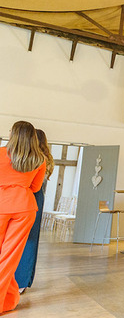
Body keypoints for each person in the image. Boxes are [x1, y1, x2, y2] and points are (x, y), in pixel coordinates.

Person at [0, 121, 46, 314]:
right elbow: (35, 188)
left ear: (14, 135)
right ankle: (9, 299)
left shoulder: (1, 153)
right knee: (9, 258)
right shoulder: (39, 159)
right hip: (25, 208)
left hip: (2, 204)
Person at [15, 129, 54, 293]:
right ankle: (22, 280)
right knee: (28, 239)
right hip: (35, 198)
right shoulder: (44, 158)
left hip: (32, 197)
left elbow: (33, 185)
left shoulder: (37, 159)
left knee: (29, 240)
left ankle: (21, 280)